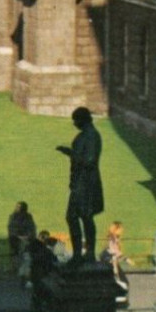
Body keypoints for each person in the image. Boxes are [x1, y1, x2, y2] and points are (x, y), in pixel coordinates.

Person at [56, 106, 104, 263]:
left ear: (82, 120)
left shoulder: (91, 136)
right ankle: (79, 253)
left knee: (84, 216)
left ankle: (88, 252)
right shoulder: (87, 135)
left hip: (86, 183)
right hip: (80, 182)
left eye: (76, 121)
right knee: (76, 217)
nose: (74, 124)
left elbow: (90, 160)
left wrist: (71, 153)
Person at [22, 229, 61, 312]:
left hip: (39, 280)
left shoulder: (39, 252)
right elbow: (54, 266)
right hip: (44, 281)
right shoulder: (48, 254)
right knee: (45, 302)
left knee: (38, 302)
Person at [8, 201, 38, 275]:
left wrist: (28, 236)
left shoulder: (28, 217)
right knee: (18, 249)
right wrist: (19, 237)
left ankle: (25, 269)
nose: (18, 209)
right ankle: (17, 268)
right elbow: (11, 229)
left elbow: (32, 228)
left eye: (20, 207)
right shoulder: (13, 217)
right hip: (16, 239)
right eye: (17, 207)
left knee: (26, 250)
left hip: (27, 239)